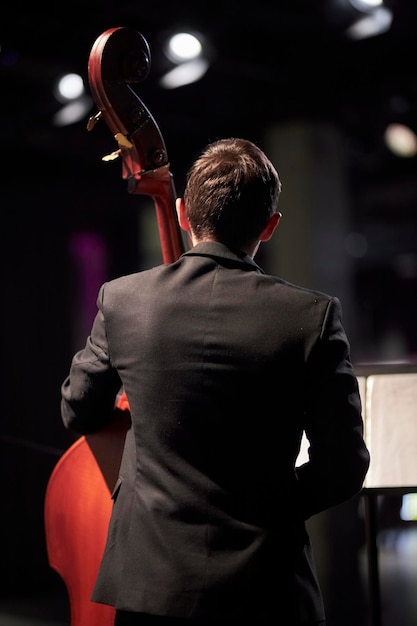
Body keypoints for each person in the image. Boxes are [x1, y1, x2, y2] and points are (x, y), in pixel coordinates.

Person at [61, 137, 370, 625]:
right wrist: (272, 507)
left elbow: (78, 409)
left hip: (150, 590)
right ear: (269, 227)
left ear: (183, 213)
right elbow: (345, 465)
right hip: (268, 587)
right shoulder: (311, 317)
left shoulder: (123, 301)